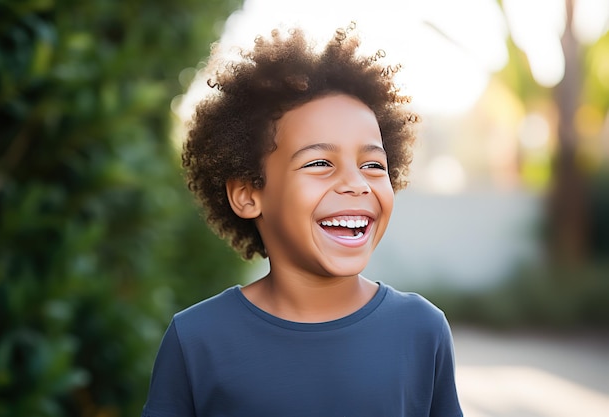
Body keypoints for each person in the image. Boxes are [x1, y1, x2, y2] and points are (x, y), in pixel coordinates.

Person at [142, 21, 463, 417]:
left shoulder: (422, 330)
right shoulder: (196, 340)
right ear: (248, 193)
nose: (356, 183)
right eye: (320, 162)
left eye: (373, 165)